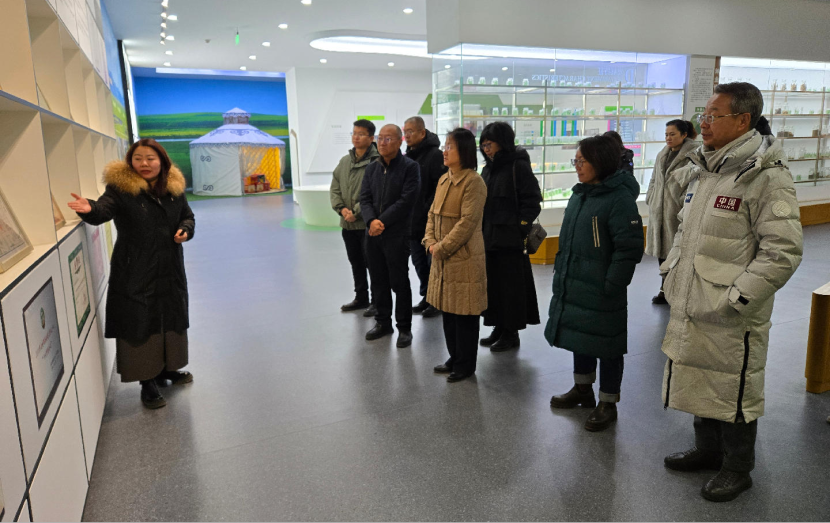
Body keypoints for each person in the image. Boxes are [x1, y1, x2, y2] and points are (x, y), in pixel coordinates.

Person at [660, 82, 803, 502]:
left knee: (735, 384)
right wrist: (672, 275)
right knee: (698, 372)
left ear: (742, 120)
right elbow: (686, 232)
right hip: (694, 298)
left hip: (731, 309)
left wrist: (739, 298)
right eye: (703, 115)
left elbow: (783, 250)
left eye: (713, 116)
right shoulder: (706, 169)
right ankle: (708, 450)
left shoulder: (766, 176)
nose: (703, 123)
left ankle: (738, 467)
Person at [68, 139, 195, 410]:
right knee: (140, 321)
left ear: (161, 161)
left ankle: (167, 369)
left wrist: (185, 229)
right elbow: (104, 209)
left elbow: (188, 216)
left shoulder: (173, 188)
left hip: (170, 266)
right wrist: (89, 208)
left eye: (150, 158)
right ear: (130, 161)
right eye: (138, 158)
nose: (144, 163)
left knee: (169, 315)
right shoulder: (121, 188)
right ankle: (147, 381)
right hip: (135, 267)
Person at [545, 135, 645, 432]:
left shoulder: (619, 199)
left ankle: (608, 402)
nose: (577, 166)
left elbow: (629, 248)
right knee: (582, 336)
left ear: (600, 162)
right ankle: (582, 389)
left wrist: (611, 285)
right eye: (575, 160)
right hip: (577, 281)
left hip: (602, 287)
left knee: (609, 345)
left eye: (582, 161)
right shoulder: (580, 194)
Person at [423, 128, 487, 383]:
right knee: (448, 311)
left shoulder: (474, 182)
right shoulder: (443, 179)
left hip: (464, 259)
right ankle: (454, 356)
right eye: (445, 146)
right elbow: (431, 214)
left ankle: (466, 364)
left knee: (465, 314)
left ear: (464, 151)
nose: (444, 151)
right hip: (442, 257)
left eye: (450, 146)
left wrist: (440, 248)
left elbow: (467, 223)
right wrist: (430, 241)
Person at [478, 122, 543, 352]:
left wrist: (520, 227)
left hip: (510, 241)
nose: (486, 149)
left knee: (510, 288)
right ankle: (498, 326)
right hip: (489, 238)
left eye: (490, 144)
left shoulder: (518, 166)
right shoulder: (488, 169)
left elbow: (532, 200)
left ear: (503, 143)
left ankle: (511, 333)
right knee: (494, 286)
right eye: (483, 145)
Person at [360, 124, 421, 348]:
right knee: (378, 281)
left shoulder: (410, 167)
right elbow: (364, 198)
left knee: (399, 282)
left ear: (400, 141)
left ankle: (404, 328)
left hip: (397, 234)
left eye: (388, 139)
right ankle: (383, 322)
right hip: (373, 234)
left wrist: (381, 222)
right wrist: (370, 221)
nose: (383, 143)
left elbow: (407, 200)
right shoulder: (372, 168)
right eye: (380, 138)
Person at [646, 120, 699, 304]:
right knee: (662, 252)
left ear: (684, 135)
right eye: (666, 134)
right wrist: (651, 197)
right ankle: (664, 288)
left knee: (677, 252)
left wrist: (683, 202)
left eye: (672, 134)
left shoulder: (694, 154)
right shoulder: (663, 154)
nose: (668, 138)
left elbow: (694, 181)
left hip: (677, 211)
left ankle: (677, 290)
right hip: (659, 211)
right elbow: (654, 179)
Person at [331, 119, 380, 317]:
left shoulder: (377, 162)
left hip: (367, 224)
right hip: (348, 225)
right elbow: (335, 187)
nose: (356, 137)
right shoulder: (345, 161)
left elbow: (376, 192)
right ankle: (361, 297)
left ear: (371, 138)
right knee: (356, 263)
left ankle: (377, 301)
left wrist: (356, 212)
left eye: (361, 134)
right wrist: (342, 209)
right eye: (354, 133)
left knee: (373, 264)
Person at [404, 116, 447, 319]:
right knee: (419, 262)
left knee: (432, 264)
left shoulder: (435, 156)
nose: (407, 136)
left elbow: (439, 188)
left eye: (410, 131)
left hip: (430, 222)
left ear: (422, 133)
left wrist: (425, 210)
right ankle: (427, 296)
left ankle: (436, 300)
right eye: (405, 132)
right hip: (412, 221)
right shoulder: (408, 156)